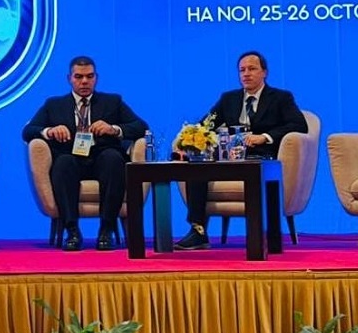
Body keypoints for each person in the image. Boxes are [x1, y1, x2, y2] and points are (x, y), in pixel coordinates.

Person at [176, 50, 308, 250]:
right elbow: (206, 125)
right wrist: (189, 141)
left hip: (261, 156)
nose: (246, 74)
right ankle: (198, 231)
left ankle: (261, 234)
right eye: (242, 70)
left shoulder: (280, 98)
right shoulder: (229, 99)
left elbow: (299, 125)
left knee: (254, 167)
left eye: (252, 69)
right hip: (228, 158)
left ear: (264, 72)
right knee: (197, 168)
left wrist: (264, 137)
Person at [22, 55, 147, 251]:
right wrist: (49, 131)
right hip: (71, 158)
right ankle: (72, 231)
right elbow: (28, 131)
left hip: (102, 157)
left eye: (89, 76)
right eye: (79, 77)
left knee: (113, 159)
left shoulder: (112, 102)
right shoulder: (54, 105)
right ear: (69, 79)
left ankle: (106, 230)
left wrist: (114, 129)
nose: (84, 81)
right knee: (63, 163)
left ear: (96, 78)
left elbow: (141, 126)